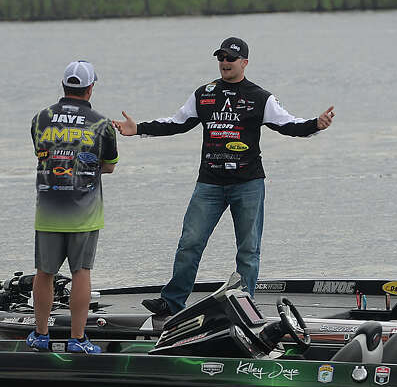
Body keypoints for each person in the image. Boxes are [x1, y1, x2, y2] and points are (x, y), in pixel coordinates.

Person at [112, 37, 334, 316]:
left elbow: (289, 124)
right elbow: (177, 123)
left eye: (230, 58)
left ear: (244, 63)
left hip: (248, 183)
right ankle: (171, 301)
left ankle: (246, 305)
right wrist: (139, 128)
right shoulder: (204, 94)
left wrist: (316, 124)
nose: (225, 62)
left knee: (248, 250)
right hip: (210, 183)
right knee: (190, 242)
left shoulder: (260, 97)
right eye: (221, 57)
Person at [27, 60, 119, 354]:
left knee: (44, 272)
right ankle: (77, 340)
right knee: (81, 272)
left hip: (49, 208)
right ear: (90, 88)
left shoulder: (40, 118)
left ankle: (41, 336)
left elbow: (43, 156)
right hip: (84, 211)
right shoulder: (102, 124)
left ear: (65, 85)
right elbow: (109, 166)